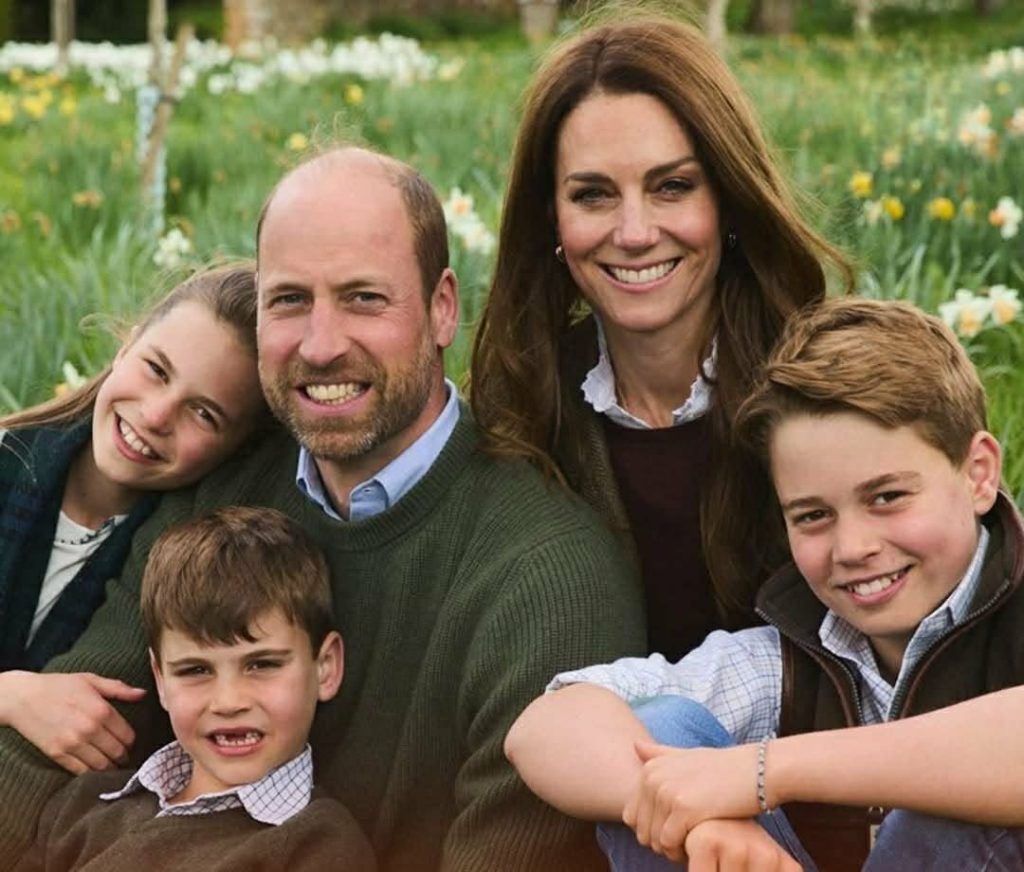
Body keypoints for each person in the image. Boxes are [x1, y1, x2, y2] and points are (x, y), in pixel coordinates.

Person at [0, 146, 645, 870]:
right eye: (290, 301)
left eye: (364, 298)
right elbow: (37, 759)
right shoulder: (221, 489)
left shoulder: (546, 578)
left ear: (441, 309)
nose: (321, 343)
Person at [505, 298, 1024, 871]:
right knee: (659, 735)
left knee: (953, 790)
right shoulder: (790, 656)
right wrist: (693, 820)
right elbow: (543, 727)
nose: (852, 548)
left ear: (978, 473)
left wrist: (763, 773)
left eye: (887, 497)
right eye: (812, 516)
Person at [470, 13, 853, 661]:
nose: (636, 231)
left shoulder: (836, 390)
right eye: (593, 195)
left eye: (671, 186)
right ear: (552, 222)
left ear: (727, 200)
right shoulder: (514, 418)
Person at [0, 263, 267, 774]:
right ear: (127, 345)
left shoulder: (179, 564)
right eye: (156, 369)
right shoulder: (9, 462)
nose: (157, 414)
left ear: (234, 452)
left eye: (204, 413)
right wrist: (13, 696)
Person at [14, 506, 376, 871]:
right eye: (195, 670)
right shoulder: (83, 807)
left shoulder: (318, 847)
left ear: (325, 667)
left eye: (262, 665)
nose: (229, 702)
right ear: (160, 680)